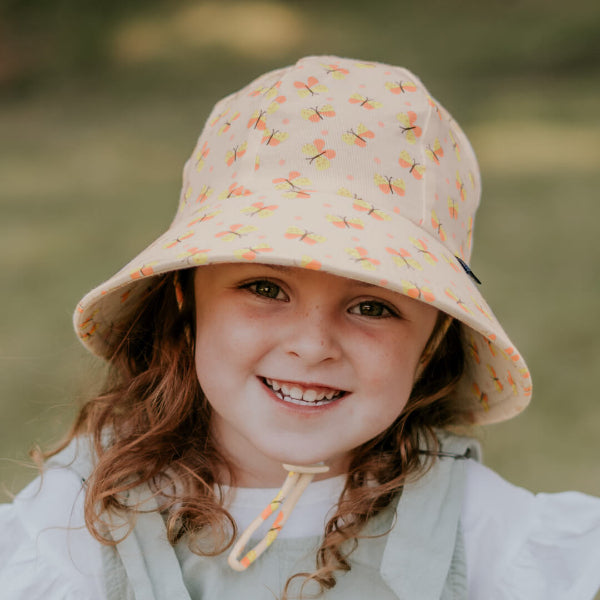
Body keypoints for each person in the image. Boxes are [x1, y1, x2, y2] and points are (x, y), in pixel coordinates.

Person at [1, 55, 599, 600]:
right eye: (265, 289)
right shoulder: (81, 521)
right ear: (186, 300)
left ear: (432, 341)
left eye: (372, 307)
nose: (312, 346)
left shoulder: (470, 523)